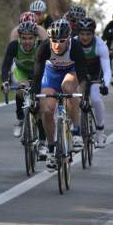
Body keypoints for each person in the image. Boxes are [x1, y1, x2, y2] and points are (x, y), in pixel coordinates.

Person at [32, 19, 89, 171]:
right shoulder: (44, 47)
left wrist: (85, 96)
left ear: (69, 39)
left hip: (71, 73)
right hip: (50, 76)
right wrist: (34, 97)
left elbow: (83, 76)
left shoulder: (75, 47)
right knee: (47, 109)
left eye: (62, 41)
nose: (57, 45)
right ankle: (51, 150)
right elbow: (37, 77)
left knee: (68, 88)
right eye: (54, 41)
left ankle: (76, 132)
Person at [2, 21, 48, 157]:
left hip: (37, 74)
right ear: (19, 38)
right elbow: (5, 65)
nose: (27, 41)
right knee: (21, 89)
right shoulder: (13, 46)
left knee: (38, 107)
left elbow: (47, 67)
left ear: (35, 38)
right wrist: (5, 81)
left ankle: (43, 141)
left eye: (30, 38)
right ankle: (21, 118)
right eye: (24, 38)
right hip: (20, 71)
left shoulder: (41, 46)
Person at [75, 18, 111, 148]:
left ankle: (100, 132)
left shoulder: (100, 44)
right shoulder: (73, 43)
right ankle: (75, 131)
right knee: (74, 99)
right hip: (79, 74)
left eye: (88, 34)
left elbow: (107, 69)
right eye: (82, 34)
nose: (85, 37)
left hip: (96, 74)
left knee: (95, 98)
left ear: (93, 34)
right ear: (78, 34)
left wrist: (105, 84)